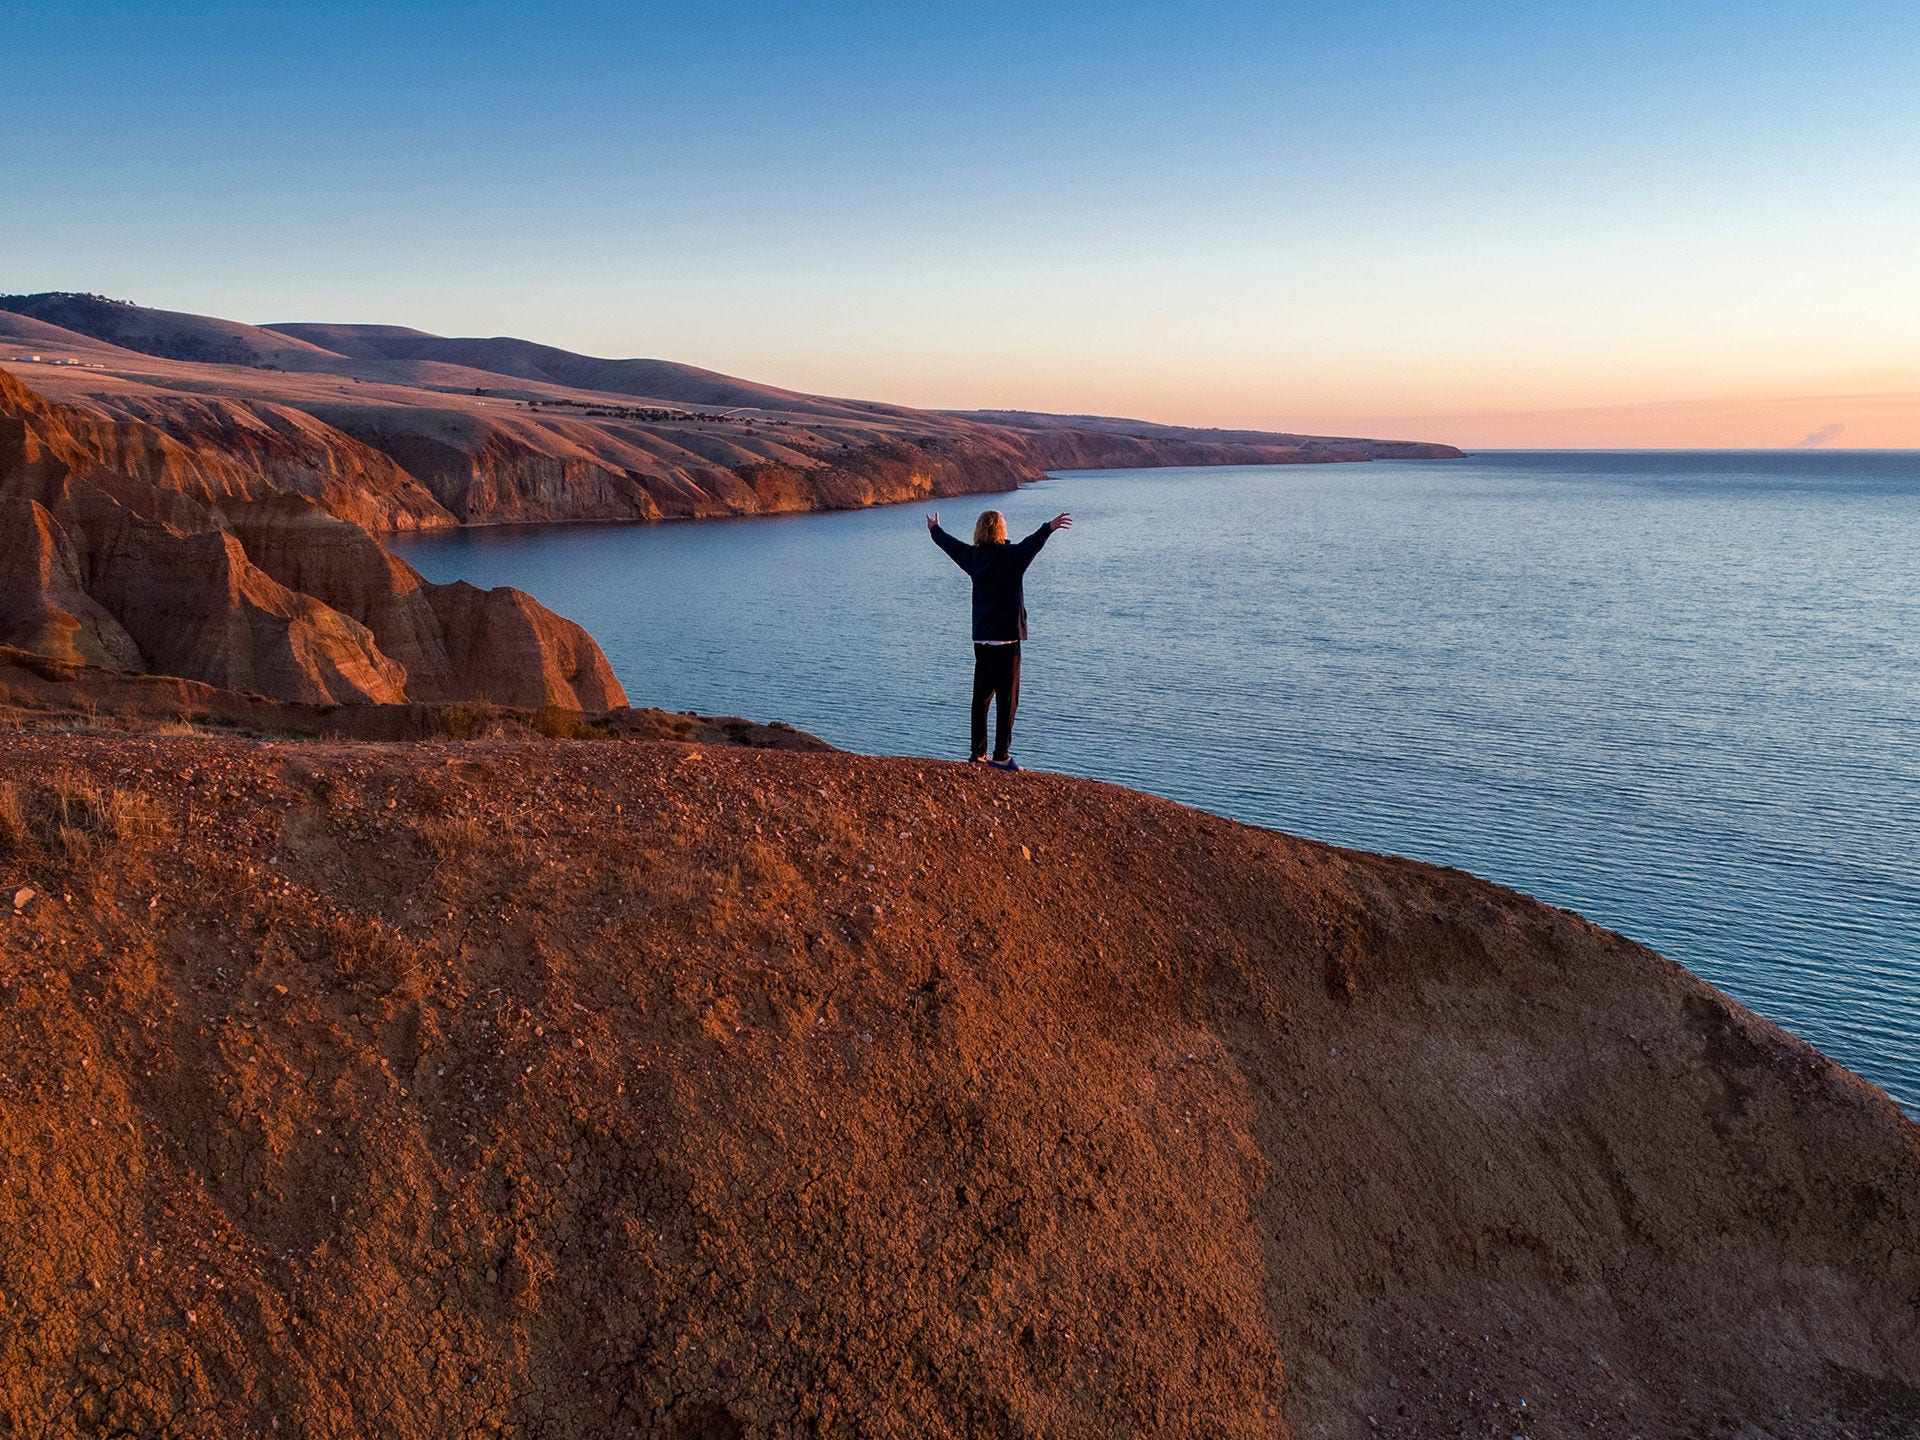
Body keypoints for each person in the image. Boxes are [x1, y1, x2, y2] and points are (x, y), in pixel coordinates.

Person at [926, 506, 1072, 770]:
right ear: (1000, 530)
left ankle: (977, 753)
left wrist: (935, 530)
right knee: (1007, 700)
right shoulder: (1012, 557)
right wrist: (1049, 527)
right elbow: (1032, 544)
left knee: (981, 699)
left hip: (982, 642)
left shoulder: (974, 557)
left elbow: (951, 546)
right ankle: (1001, 756)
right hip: (1007, 642)